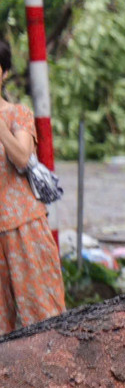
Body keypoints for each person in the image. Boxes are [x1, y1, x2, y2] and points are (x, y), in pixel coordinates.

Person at [0, 43, 63, 333]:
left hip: (24, 227)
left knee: (44, 318)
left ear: (3, 73)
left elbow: (23, 158)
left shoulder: (18, 114)